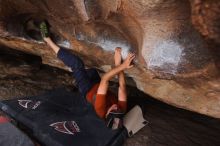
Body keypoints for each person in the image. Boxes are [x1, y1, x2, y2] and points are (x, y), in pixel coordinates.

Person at [39, 22, 135, 121]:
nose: (116, 107)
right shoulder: (121, 110)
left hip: (87, 88)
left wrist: (122, 65)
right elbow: (122, 86)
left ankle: (47, 40)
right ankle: (78, 78)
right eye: (118, 110)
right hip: (96, 82)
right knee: (92, 71)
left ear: (106, 114)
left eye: (113, 110)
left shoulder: (100, 109)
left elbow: (105, 79)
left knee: (77, 64)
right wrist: (119, 64)